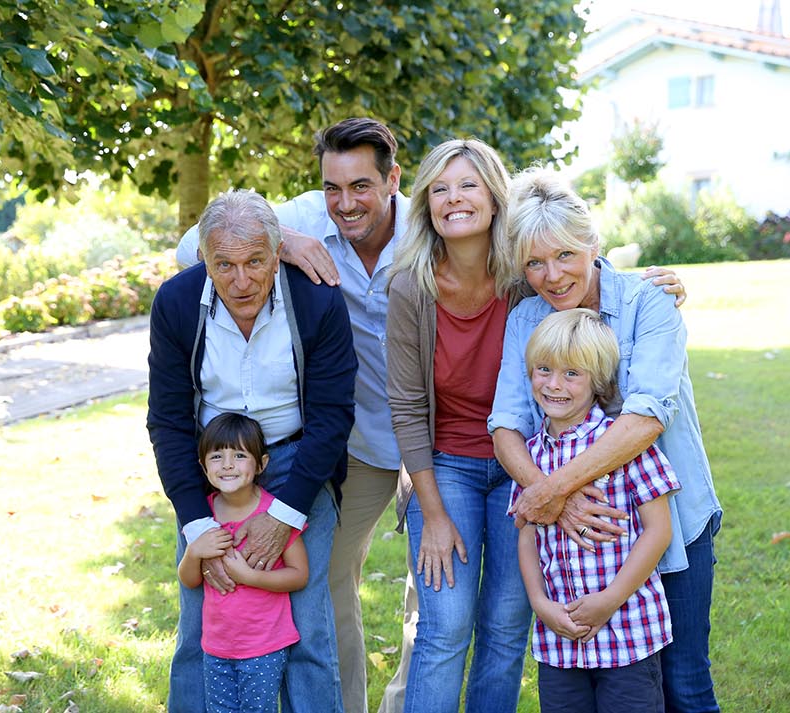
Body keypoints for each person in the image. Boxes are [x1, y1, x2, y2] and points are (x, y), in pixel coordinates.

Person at [176, 117, 418, 713]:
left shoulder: (429, 223)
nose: (344, 203)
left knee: (436, 598)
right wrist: (280, 241)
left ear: (393, 179)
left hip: (435, 436)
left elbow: (524, 251)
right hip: (355, 440)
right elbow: (198, 246)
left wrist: (614, 280)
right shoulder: (306, 219)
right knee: (326, 594)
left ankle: (408, 703)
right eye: (332, 188)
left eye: (361, 186)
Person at [490, 168, 723, 713]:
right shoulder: (527, 317)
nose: (552, 275)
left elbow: (645, 419)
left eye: (566, 255)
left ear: (593, 245)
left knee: (684, 685)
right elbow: (506, 425)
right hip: (584, 548)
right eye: (535, 263)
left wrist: (555, 491)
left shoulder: (649, 304)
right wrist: (556, 498)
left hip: (669, 520)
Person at [149, 188, 357, 713]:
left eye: (255, 262)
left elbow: (333, 417)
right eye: (225, 265)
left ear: (277, 251)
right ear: (204, 259)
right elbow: (168, 422)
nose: (242, 281)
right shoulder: (175, 303)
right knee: (201, 624)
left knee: (307, 627)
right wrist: (197, 526)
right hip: (213, 470)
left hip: (296, 461)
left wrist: (286, 514)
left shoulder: (316, 300)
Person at [383, 138, 532, 713]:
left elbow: (588, 275)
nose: (453, 199)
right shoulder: (410, 287)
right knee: (444, 628)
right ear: (426, 205)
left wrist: (655, 284)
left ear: (495, 198)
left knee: (505, 626)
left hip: (522, 467)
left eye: (468, 185)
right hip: (446, 470)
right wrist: (435, 514)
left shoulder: (526, 276)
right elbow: (406, 408)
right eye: (440, 189)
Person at [513, 308, 680, 713]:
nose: (554, 384)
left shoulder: (622, 445)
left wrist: (609, 600)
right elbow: (526, 534)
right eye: (544, 370)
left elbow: (659, 532)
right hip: (559, 641)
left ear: (599, 381)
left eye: (572, 374)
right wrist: (539, 602)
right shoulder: (531, 457)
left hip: (628, 634)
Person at [179, 413, 311, 713]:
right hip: (215, 645)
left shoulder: (273, 517)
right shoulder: (203, 515)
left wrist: (250, 576)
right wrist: (194, 552)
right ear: (203, 466)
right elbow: (189, 580)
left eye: (239, 455)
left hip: (263, 646)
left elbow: (299, 575)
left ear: (262, 464)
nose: (227, 464)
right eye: (216, 456)